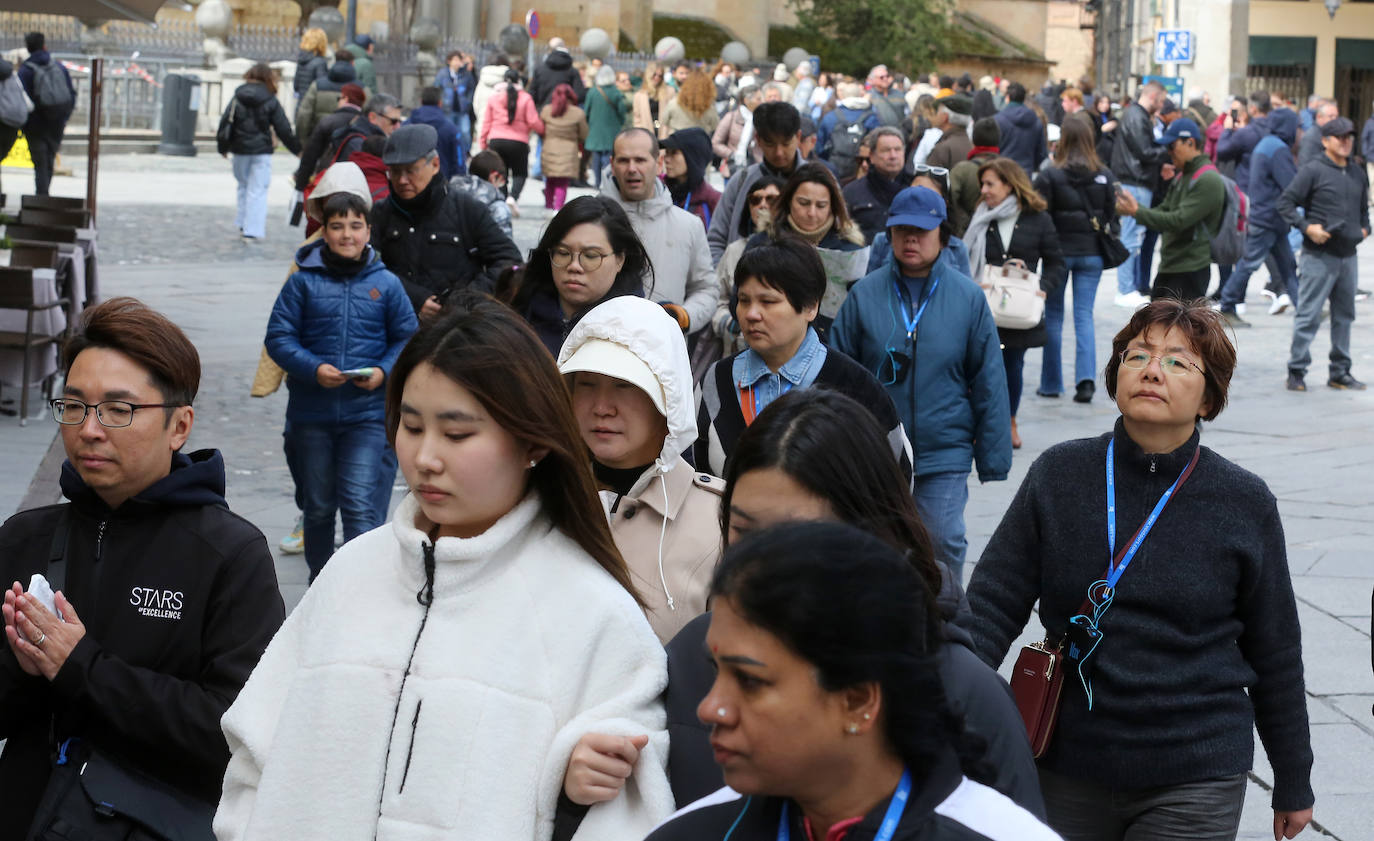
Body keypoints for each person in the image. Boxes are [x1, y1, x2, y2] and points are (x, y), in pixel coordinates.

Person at [214, 296, 676, 841]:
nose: (425, 458)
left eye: (457, 434)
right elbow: (253, 750)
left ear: (531, 441)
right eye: (411, 426)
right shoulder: (351, 572)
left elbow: (629, 814)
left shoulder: (594, 612)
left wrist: (570, 789)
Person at [962, 299, 1315, 841]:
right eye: (1139, 355)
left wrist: (1294, 777)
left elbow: (1275, 649)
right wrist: (941, 712)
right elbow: (989, 605)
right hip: (1065, 756)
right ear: (1116, 373)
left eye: (1178, 362)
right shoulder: (1059, 473)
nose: (1153, 370)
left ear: (1209, 396)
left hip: (1194, 769)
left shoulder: (1244, 502)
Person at [664, 390, 1043, 815]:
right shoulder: (688, 659)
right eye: (745, 532)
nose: (763, 563)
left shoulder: (963, 692)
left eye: (797, 537)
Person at [1, 297, 284, 839]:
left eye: (118, 409)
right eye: (75, 405)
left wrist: (82, 666)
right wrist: (24, 666)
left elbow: (236, 733)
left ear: (179, 426)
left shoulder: (231, 554)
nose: (89, 429)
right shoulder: (24, 537)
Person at [647, 523, 1059, 841]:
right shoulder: (690, 832)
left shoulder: (1000, 833)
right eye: (718, 672)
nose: (709, 708)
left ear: (858, 700)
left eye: (751, 681)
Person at [831, 187, 1010, 582]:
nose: (911, 239)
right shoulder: (864, 295)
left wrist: (993, 456)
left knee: (943, 540)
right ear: (889, 236)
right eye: (901, 231)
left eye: (922, 231)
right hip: (878, 451)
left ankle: (946, 624)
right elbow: (838, 373)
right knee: (879, 545)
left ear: (943, 236)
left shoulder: (967, 298)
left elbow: (989, 380)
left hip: (944, 448)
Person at [265, 190, 418, 581]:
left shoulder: (386, 284)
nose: (347, 235)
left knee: (359, 505)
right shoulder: (302, 283)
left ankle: (357, 585)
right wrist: (314, 369)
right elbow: (279, 338)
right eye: (337, 226)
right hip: (311, 415)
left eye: (355, 226)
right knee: (317, 506)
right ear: (324, 233)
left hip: (366, 415)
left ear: (368, 231)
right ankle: (320, 580)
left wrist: (384, 371)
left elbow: (407, 338)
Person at [557, 296, 725, 643]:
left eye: (626, 385)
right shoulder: (544, 497)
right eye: (586, 383)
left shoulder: (720, 521)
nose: (602, 407)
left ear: (668, 397)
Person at [696, 237, 911, 480]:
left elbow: (895, 482)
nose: (752, 314)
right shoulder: (716, 380)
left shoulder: (856, 388)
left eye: (768, 301)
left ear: (810, 307)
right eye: (744, 301)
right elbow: (694, 473)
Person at [369, 124, 522, 318]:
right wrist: (414, 298)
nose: (401, 180)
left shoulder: (466, 208)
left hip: (457, 326)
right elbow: (370, 267)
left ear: (434, 164)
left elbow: (509, 261)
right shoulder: (380, 213)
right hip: (395, 322)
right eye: (394, 172)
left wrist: (465, 300)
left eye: (410, 170)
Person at [966, 156, 1063, 451]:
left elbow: (1058, 262)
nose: (983, 190)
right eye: (982, 183)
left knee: (1013, 365)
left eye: (990, 184)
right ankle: (982, 422)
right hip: (983, 305)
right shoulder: (981, 218)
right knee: (978, 365)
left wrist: (1043, 288)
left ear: (1009, 185)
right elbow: (962, 256)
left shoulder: (1038, 218)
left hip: (1020, 308)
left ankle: (1009, 421)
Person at [1278, 115, 1369, 392]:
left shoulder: (1357, 172)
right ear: (1326, 141)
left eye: (1349, 137)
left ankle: (1340, 371)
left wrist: (1364, 230)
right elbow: (1285, 203)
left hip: (1348, 256)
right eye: (1339, 137)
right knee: (1309, 314)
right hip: (1318, 255)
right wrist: (1307, 227)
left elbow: (1364, 211)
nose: (1345, 142)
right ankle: (1297, 370)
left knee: (1344, 315)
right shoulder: (1313, 169)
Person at [1033, 114, 1117, 404]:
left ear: (1063, 140)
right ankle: (1086, 382)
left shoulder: (1049, 174)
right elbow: (1110, 214)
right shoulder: (1104, 174)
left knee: (1054, 317)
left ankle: (1051, 383)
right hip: (1092, 252)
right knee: (1084, 316)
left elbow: (1041, 217)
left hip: (1059, 254)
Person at [601, 129, 717, 336]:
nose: (632, 168)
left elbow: (706, 289)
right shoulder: (587, 222)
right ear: (612, 164)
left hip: (665, 353)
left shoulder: (689, 225)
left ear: (659, 162)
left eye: (640, 160)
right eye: (623, 160)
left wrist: (684, 316)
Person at [513, 195, 650, 356]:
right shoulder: (516, 317)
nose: (574, 266)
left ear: (620, 259)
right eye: (563, 253)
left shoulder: (641, 334)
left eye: (591, 256)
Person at [746, 163, 868, 336]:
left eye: (821, 206)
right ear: (789, 201)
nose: (811, 213)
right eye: (803, 203)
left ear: (832, 206)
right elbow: (739, 298)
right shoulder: (763, 243)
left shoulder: (850, 251)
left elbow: (860, 312)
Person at [1115, 118, 1225, 302]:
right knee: (1157, 327)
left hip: (1190, 270)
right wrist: (1133, 207)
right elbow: (1164, 210)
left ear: (1190, 142)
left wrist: (1136, 211)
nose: (1168, 153)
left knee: (1177, 329)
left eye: (1172, 146)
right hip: (1170, 267)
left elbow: (1178, 220)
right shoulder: (1183, 175)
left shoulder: (1208, 179)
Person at [1217, 107, 1300, 320]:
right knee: (1249, 264)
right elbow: (1292, 185)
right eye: (1296, 127)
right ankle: (1227, 304)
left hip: (1268, 216)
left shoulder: (1267, 144)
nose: (1299, 132)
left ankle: (1304, 307)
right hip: (1268, 217)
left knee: (1287, 265)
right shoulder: (1278, 148)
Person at [709, 103, 807, 262]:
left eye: (786, 143)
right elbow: (716, 238)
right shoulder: (741, 181)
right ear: (758, 140)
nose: (779, 152)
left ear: (799, 137)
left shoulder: (816, 181)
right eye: (770, 144)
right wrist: (723, 275)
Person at [217, 63, 301, 241]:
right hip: (261, 150)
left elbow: (225, 123)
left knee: (243, 186)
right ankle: (252, 229)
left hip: (239, 149)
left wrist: (222, 147)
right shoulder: (270, 99)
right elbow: (283, 128)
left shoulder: (237, 97)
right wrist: (297, 150)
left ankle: (242, 221)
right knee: (258, 190)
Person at [1109, 80, 1169, 307]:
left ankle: (1129, 287)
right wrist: (1166, 151)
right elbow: (1144, 151)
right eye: (1161, 101)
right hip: (1134, 181)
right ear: (1153, 97)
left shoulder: (1137, 115)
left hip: (1137, 180)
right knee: (1131, 237)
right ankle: (1125, 289)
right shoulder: (1136, 116)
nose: (1162, 106)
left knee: (1134, 236)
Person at [710, 176, 784, 357]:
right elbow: (716, 299)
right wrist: (728, 323)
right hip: (737, 351)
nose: (763, 205)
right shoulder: (734, 251)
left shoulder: (793, 250)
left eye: (771, 199)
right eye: (755, 200)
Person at [868, 166, 973, 279]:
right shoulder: (882, 242)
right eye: (913, 193)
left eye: (930, 196)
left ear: (945, 204)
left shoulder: (957, 248)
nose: (919, 200)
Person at [17, 32, 75, 196]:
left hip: (35, 125)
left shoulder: (26, 70)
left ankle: (41, 198)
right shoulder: (59, 67)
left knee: (40, 163)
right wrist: (64, 117)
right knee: (48, 160)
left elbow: (22, 98)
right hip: (57, 123)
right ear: (44, 45)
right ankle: (43, 196)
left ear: (28, 48)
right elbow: (71, 95)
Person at [480, 68, 544, 206]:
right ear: (518, 81)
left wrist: (483, 142)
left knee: (499, 172)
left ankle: (502, 198)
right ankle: (513, 198)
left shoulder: (494, 98)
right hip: (519, 142)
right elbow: (533, 121)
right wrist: (543, 131)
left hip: (496, 140)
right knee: (520, 173)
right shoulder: (526, 98)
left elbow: (486, 122)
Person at [950, 116, 1001, 236]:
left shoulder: (962, 169)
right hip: (998, 233)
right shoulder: (1007, 169)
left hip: (966, 233)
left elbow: (948, 200)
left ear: (973, 139)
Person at [541, 82, 589, 211]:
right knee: (562, 183)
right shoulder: (578, 113)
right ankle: (558, 208)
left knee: (550, 180)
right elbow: (584, 134)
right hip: (568, 150)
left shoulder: (547, 110)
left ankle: (548, 206)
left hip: (549, 148)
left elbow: (541, 129)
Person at [818, 81, 879, 182]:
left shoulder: (830, 117)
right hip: (860, 174)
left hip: (832, 172)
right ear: (860, 95)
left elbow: (820, 148)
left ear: (842, 96)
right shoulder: (872, 118)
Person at [1216, 89, 1273, 196]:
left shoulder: (1245, 134)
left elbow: (1221, 151)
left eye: (1234, 111)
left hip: (1244, 188)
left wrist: (1227, 130)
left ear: (1250, 110)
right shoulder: (1273, 128)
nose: (1231, 114)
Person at [661, 127, 720, 228]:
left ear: (692, 157)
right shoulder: (656, 191)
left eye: (674, 153)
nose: (666, 159)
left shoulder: (714, 201)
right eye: (667, 152)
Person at [295, 53, 358, 147]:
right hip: (350, 143)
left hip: (320, 141)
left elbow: (303, 115)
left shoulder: (317, 85)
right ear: (352, 63)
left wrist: (304, 142)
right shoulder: (360, 89)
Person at [449, 148, 513, 238]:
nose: (500, 186)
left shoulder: (448, 195)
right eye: (501, 181)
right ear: (493, 176)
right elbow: (506, 247)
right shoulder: (497, 207)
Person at [585, 65, 630, 189]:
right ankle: (606, 182)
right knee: (607, 158)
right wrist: (620, 123)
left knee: (596, 158)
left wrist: (591, 123)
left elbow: (586, 112)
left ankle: (597, 181)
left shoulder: (593, 91)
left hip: (595, 131)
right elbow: (622, 112)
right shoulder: (616, 93)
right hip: (612, 131)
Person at [328, 93, 403, 164]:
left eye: (400, 121)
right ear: (373, 117)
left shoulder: (363, 138)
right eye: (393, 121)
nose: (398, 126)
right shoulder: (358, 144)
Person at [406, 85, 462, 179]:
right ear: (440, 103)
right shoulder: (451, 129)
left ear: (421, 101)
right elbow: (459, 162)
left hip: (411, 181)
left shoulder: (405, 126)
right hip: (442, 183)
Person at [994, 82, 1048, 178]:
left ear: (1007, 97)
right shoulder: (1035, 120)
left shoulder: (997, 120)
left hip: (1002, 171)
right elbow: (1041, 153)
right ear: (1023, 99)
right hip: (1025, 172)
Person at [713, 83, 763, 176]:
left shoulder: (763, 118)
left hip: (757, 168)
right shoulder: (732, 117)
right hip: (733, 168)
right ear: (747, 100)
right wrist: (731, 154)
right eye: (758, 99)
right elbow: (716, 143)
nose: (761, 102)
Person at [435, 50, 477, 149]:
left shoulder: (466, 74)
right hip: (447, 108)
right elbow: (437, 88)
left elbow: (471, 89)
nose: (457, 62)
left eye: (459, 60)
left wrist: (468, 102)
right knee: (449, 131)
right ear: (449, 61)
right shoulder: (442, 74)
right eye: (454, 60)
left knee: (465, 132)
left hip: (462, 108)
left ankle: (465, 151)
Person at [659, 71, 720, 139]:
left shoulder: (675, 103)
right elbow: (714, 125)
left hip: (678, 142)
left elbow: (664, 120)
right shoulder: (709, 107)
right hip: (700, 143)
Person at [529, 40, 586, 109]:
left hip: (543, 112)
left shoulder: (539, 70)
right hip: (566, 113)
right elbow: (580, 95)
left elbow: (532, 94)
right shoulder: (573, 72)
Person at [927, 94, 974, 171]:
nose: (936, 115)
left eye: (938, 111)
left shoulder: (942, 148)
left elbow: (930, 181)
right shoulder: (971, 145)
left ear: (945, 117)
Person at [633, 63, 671, 137]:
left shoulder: (668, 92)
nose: (657, 78)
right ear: (649, 75)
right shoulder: (639, 95)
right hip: (646, 131)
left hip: (661, 128)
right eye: (654, 75)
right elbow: (637, 117)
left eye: (660, 76)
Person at [1298, 100, 1338, 169]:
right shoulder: (1311, 137)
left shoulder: (1329, 133)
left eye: (1336, 116)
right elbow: (1305, 166)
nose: (1335, 120)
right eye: (1331, 116)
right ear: (1319, 117)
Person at [293, 28, 329, 100]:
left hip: (301, 104)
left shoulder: (301, 60)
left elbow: (296, 86)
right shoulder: (320, 62)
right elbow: (322, 87)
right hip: (313, 104)